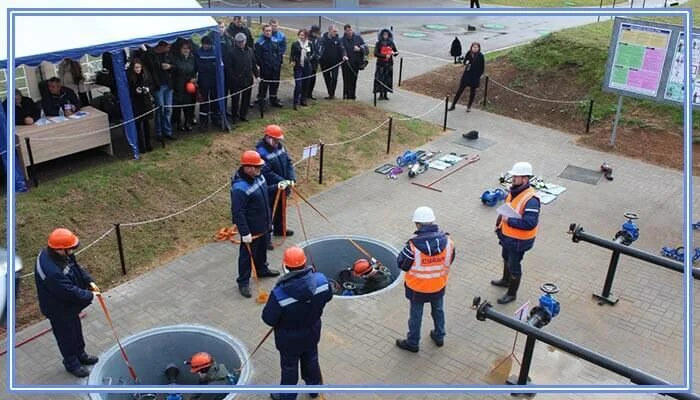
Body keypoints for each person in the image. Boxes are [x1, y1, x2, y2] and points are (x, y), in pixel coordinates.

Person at [262, 246, 333, 400]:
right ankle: (314, 389)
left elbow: (268, 319)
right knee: (311, 361)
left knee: (289, 368)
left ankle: (287, 396)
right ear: (305, 263)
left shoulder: (279, 294)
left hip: (288, 340)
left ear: (285, 266)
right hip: (312, 333)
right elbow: (328, 296)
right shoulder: (321, 280)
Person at [34, 228, 100, 377]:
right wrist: (90, 295)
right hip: (58, 309)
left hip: (68, 306)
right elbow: (68, 291)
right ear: (60, 249)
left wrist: (89, 281)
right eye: (70, 248)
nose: (72, 251)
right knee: (66, 336)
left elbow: (76, 268)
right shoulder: (51, 271)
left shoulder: (60, 254)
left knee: (76, 329)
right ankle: (71, 363)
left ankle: (81, 354)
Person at [395, 207, 455, 352]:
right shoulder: (448, 243)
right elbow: (450, 259)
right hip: (438, 285)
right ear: (433, 221)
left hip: (417, 288)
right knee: (438, 311)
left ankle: (413, 342)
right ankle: (439, 336)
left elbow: (402, 264)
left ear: (418, 225)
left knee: (416, 316)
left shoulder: (412, 246)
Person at [231, 150, 284, 298]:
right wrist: (245, 232)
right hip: (252, 231)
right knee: (247, 257)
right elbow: (238, 212)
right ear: (248, 168)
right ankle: (243, 282)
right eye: (257, 167)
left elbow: (264, 192)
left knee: (262, 251)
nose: (260, 169)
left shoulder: (259, 177)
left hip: (264, 225)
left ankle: (262, 269)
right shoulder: (239, 189)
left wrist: (277, 187)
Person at [492, 162, 540, 304]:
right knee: (505, 257)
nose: (512, 178)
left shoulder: (531, 200)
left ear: (524, 179)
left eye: (515, 176)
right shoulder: (514, 192)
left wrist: (508, 221)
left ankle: (512, 293)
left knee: (514, 266)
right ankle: (506, 280)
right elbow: (507, 209)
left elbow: (530, 223)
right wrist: (499, 224)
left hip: (519, 241)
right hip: (508, 238)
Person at [255, 124, 296, 251]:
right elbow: (267, 173)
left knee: (280, 209)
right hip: (270, 188)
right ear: (268, 137)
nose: (278, 142)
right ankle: (265, 240)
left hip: (282, 186)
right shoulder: (261, 153)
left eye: (279, 139)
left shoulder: (279, 147)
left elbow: (288, 162)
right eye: (276, 139)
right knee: (268, 214)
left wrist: (291, 178)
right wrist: (284, 181)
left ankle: (280, 229)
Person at [144, 40, 176, 141]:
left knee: (168, 109)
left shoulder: (168, 55)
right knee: (160, 109)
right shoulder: (150, 55)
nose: (169, 48)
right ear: (162, 46)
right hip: (158, 86)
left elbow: (175, 65)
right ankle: (159, 132)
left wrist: (170, 66)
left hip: (168, 84)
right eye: (168, 46)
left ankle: (167, 131)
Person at [127, 58, 156, 153]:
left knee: (147, 124)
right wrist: (135, 91)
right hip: (136, 103)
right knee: (138, 125)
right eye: (136, 68)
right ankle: (141, 145)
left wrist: (147, 89)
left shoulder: (146, 75)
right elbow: (128, 90)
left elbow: (152, 85)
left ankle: (148, 144)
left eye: (139, 67)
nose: (138, 69)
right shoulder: (130, 77)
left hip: (146, 102)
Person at [230, 32, 259, 124]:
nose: (241, 44)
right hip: (236, 80)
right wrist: (233, 77)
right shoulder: (231, 52)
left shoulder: (250, 51)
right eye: (239, 42)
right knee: (235, 99)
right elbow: (229, 67)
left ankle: (243, 114)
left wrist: (257, 75)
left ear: (245, 41)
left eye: (242, 42)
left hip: (247, 78)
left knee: (246, 98)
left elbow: (253, 64)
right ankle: (234, 116)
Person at [448, 41, 485, 113]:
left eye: (476, 47)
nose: (474, 48)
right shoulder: (469, 53)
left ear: (478, 48)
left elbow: (482, 68)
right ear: (471, 47)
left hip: (475, 76)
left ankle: (469, 106)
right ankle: (453, 104)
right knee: (460, 90)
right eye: (473, 47)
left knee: (472, 91)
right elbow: (465, 61)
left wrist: (478, 76)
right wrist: (466, 63)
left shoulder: (480, 56)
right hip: (467, 74)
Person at [255, 24, 284, 108]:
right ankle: (261, 100)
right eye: (266, 31)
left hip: (275, 68)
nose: (268, 32)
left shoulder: (275, 41)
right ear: (263, 31)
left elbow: (278, 53)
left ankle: (273, 99)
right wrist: (262, 67)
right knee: (264, 85)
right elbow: (257, 57)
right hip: (265, 69)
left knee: (274, 84)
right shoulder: (259, 43)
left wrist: (279, 63)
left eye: (270, 31)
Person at [172, 41, 197, 132]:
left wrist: (194, 78)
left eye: (187, 48)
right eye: (184, 48)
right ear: (180, 49)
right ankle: (178, 124)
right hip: (178, 85)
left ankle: (188, 123)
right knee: (178, 107)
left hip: (189, 86)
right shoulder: (176, 59)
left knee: (189, 106)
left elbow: (195, 71)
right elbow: (174, 71)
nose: (186, 50)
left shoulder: (193, 59)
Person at [317, 25, 347, 100]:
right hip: (325, 62)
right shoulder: (323, 39)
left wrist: (344, 55)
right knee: (327, 78)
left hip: (335, 63)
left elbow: (342, 48)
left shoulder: (339, 39)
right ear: (329, 31)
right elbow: (320, 49)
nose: (335, 33)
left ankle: (332, 94)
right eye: (334, 31)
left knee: (334, 78)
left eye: (336, 31)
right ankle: (330, 93)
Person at [195, 36, 219, 130]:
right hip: (203, 81)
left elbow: (218, 64)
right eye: (204, 44)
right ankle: (203, 121)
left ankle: (215, 119)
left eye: (208, 44)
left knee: (215, 100)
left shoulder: (215, 51)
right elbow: (198, 66)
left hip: (214, 80)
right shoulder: (198, 53)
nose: (206, 46)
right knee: (204, 101)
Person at [340, 24, 368, 100]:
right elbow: (342, 49)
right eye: (347, 31)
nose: (349, 32)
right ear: (345, 31)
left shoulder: (358, 38)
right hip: (346, 64)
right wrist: (344, 55)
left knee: (353, 80)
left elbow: (366, 48)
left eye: (350, 30)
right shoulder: (342, 39)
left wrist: (359, 49)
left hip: (355, 63)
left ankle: (352, 96)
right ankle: (346, 96)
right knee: (346, 80)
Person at [290, 28, 314, 110]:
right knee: (298, 85)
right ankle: (295, 102)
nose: (301, 37)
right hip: (298, 67)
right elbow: (292, 55)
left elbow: (312, 53)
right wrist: (292, 61)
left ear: (306, 36)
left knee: (306, 84)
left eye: (303, 35)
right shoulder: (295, 44)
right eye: (300, 35)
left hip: (307, 67)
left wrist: (310, 57)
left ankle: (303, 100)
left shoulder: (309, 44)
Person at [216, 20, 235, 123]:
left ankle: (224, 109)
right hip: (217, 69)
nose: (221, 29)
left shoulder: (229, 38)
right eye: (219, 27)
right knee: (218, 91)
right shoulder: (212, 38)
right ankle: (218, 111)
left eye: (222, 27)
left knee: (226, 90)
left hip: (227, 68)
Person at [373, 28, 399, 101]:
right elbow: (375, 53)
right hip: (380, 64)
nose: (385, 36)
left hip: (389, 64)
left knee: (387, 79)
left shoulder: (391, 43)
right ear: (381, 35)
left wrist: (395, 53)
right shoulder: (378, 43)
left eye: (386, 35)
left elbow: (395, 51)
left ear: (389, 35)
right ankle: (380, 94)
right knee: (380, 79)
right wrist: (384, 56)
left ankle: (385, 94)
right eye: (384, 35)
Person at [306, 25, 322, 101]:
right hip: (309, 61)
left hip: (315, 62)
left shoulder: (318, 39)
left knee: (313, 78)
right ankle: (305, 93)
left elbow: (321, 47)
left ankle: (310, 93)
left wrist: (319, 55)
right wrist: (313, 55)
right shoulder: (308, 39)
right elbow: (308, 50)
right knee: (307, 78)